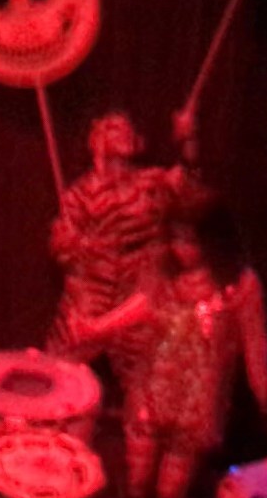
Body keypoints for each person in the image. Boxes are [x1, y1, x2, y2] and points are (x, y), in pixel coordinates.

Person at [70, 200, 267, 498]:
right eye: (176, 238)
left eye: (191, 240)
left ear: (213, 241)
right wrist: (95, 328)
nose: (182, 248)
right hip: (151, 395)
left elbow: (255, 341)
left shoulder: (239, 284)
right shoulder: (162, 272)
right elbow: (141, 308)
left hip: (196, 407)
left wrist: (262, 388)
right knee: (137, 488)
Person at [47, 111, 208, 387]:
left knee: (148, 377)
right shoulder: (80, 194)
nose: (122, 132)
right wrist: (81, 245)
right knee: (58, 367)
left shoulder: (151, 183)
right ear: (97, 141)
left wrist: (188, 139)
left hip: (138, 293)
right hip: (94, 290)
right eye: (113, 128)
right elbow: (61, 246)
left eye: (126, 128)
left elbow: (189, 184)